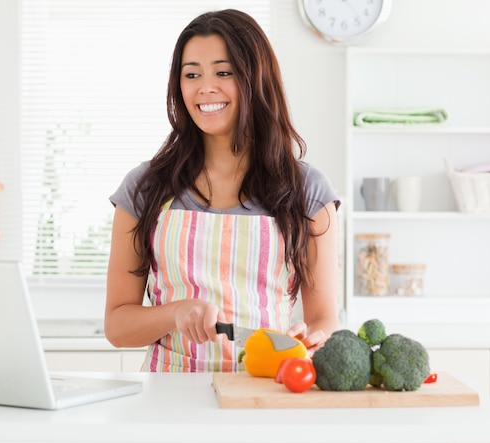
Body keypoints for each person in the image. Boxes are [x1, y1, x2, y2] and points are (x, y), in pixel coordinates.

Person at [105, 9, 340, 372]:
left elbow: (324, 318)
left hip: (266, 392)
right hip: (168, 399)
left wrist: (310, 341)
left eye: (224, 72)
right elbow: (118, 327)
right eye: (192, 74)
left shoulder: (306, 190)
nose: (205, 87)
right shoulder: (145, 187)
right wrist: (177, 312)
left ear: (256, 79)